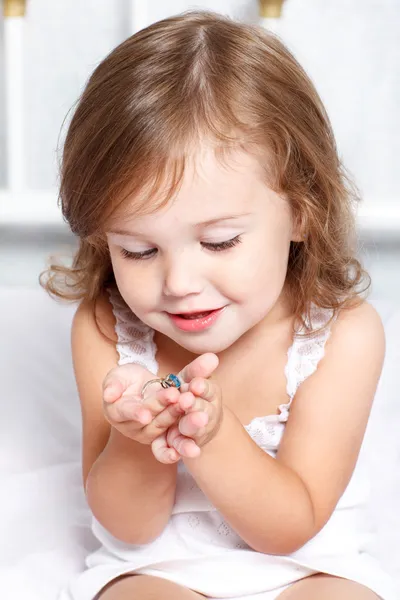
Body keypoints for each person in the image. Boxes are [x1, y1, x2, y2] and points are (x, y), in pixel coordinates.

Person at [43, 10, 397, 600]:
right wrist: (138, 441)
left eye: (219, 242)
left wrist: (213, 438)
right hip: (156, 568)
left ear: (302, 211)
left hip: (308, 564)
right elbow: (126, 525)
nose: (179, 281)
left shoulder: (343, 335)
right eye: (137, 249)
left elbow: (289, 526)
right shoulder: (106, 326)